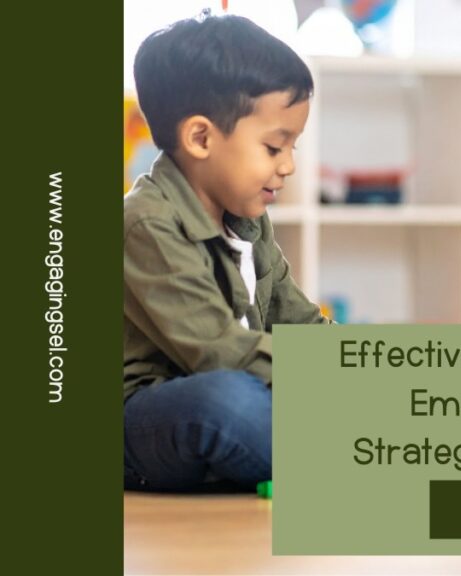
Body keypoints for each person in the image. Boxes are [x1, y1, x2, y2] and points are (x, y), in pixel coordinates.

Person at [123, 13, 331, 492]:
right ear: (200, 138)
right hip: (149, 417)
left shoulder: (247, 219)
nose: (290, 166)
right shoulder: (144, 223)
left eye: (293, 146)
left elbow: (301, 325)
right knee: (229, 402)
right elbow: (218, 352)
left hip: (241, 393)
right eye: (275, 147)